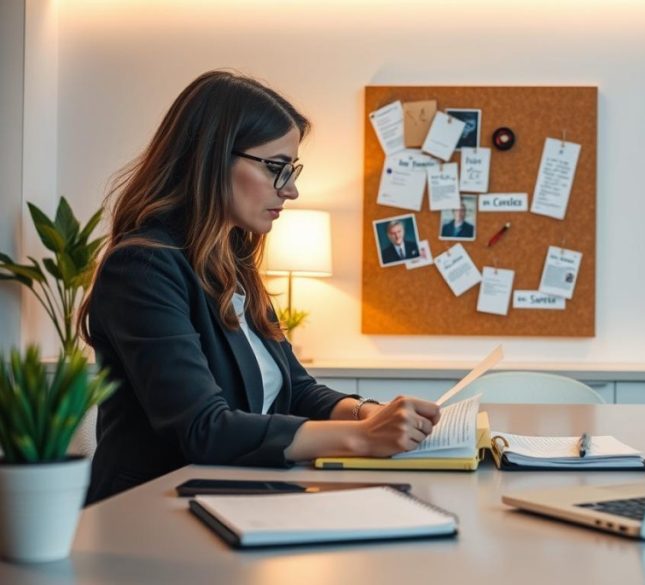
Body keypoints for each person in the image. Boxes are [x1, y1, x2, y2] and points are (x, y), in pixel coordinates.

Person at [78, 71, 440, 504]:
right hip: (153, 511)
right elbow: (204, 429)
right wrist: (362, 437)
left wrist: (368, 412)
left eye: (292, 170)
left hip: (231, 496)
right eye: (276, 168)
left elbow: (298, 388)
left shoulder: (233, 263)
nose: (291, 189)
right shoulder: (143, 267)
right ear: (212, 159)